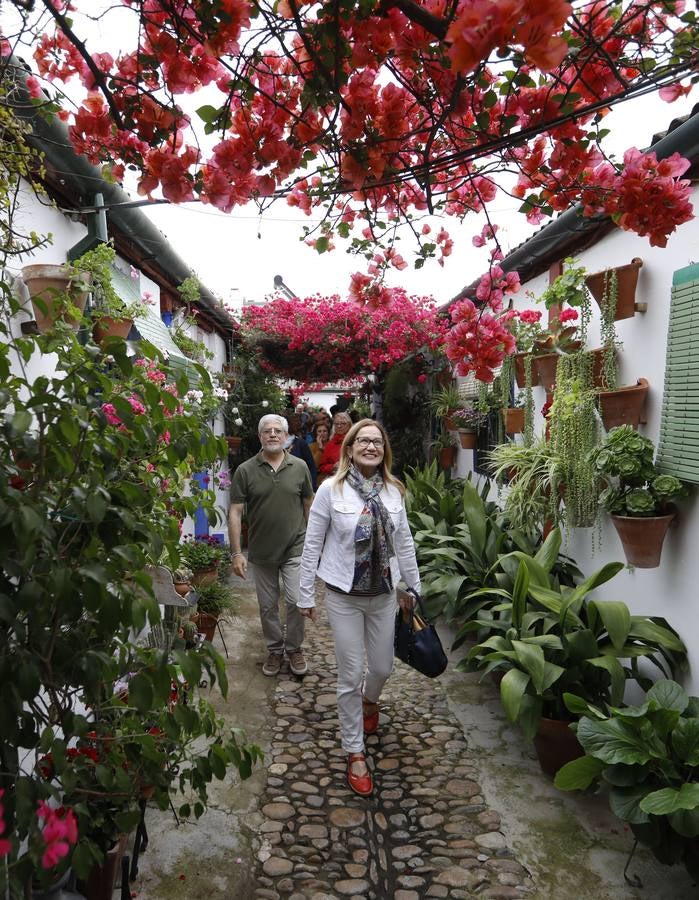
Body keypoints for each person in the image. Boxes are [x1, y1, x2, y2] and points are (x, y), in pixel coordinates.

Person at [298, 418, 420, 797]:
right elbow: (312, 543)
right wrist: (305, 595)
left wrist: (414, 587)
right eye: (362, 441)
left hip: (384, 595)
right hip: (344, 597)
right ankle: (354, 751)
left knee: (382, 667)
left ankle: (371, 702)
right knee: (350, 675)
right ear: (349, 448)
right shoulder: (329, 492)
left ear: (384, 451)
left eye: (377, 442)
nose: (370, 446)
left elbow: (405, 544)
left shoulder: (394, 492)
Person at [229, 414, 314, 677]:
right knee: (267, 606)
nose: (273, 435)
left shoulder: (299, 467)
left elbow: (309, 506)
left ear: (287, 436)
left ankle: (294, 648)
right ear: (260, 437)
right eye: (268, 431)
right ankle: (275, 650)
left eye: (279, 431)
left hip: (295, 547)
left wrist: (314, 546)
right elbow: (235, 512)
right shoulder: (245, 470)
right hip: (262, 550)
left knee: (296, 599)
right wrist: (236, 553)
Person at [285, 412, 318, 489]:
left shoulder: (300, 443)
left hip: (299, 488)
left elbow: (311, 467)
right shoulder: (270, 446)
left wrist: (311, 488)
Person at [317, 411, 352, 479]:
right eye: (336, 424)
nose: (339, 426)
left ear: (349, 425)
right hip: (336, 479)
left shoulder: (355, 440)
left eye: (343, 423)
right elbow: (322, 466)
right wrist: (333, 467)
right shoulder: (330, 444)